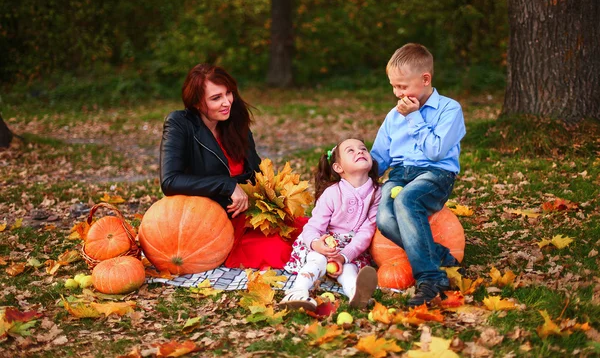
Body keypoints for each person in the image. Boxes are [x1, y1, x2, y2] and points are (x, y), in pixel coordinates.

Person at [160, 63, 305, 270]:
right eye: (216, 98)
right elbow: (170, 181)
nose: (227, 102)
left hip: (248, 214)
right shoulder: (180, 124)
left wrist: (275, 199)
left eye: (228, 93)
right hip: (210, 222)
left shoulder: (234, 123)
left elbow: (255, 173)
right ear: (197, 103)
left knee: (307, 229)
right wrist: (226, 185)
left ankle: (338, 264)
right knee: (279, 250)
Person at [371, 43, 466, 307]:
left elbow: (436, 152)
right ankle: (440, 256)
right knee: (385, 218)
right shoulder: (393, 116)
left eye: (402, 86)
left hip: (435, 174)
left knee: (407, 201)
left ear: (425, 80)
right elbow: (380, 157)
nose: (397, 93)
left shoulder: (449, 110)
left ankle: (430, 279)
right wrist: (354, 170)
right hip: (400, 174)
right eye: (393, 86)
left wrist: (413, 117)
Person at [279, 138, 381, 311]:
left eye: (363, 148)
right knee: (316, 260)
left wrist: (343, 256)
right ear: (338, 168)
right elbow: (313, 226)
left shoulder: (376, 194)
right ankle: (297, 291)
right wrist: (316, 244)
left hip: (351, 248)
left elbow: (366, 231)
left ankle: (356, 294)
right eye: (351, 150)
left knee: (348, 269)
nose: (359, 151)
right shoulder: (332, 193)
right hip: (324, 242)